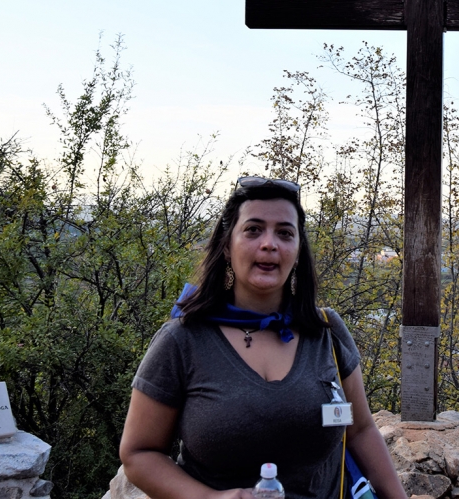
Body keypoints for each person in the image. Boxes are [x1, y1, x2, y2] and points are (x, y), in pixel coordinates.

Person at [119, 177, 408, 499]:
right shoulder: (182, 341)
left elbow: (361, 431)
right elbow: (139, 453)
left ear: (297, 251)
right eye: (253, 230)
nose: (269, 243)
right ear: (227, 246)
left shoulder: (326, 330)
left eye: (285, 233)